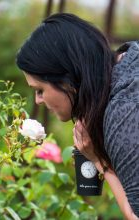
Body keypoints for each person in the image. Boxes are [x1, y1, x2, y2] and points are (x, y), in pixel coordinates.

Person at [16, 13, 139, 219]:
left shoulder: (124, 110)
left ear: (67, 80)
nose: (38, 100)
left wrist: (100, 162)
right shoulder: (131, 56)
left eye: (40, 90)